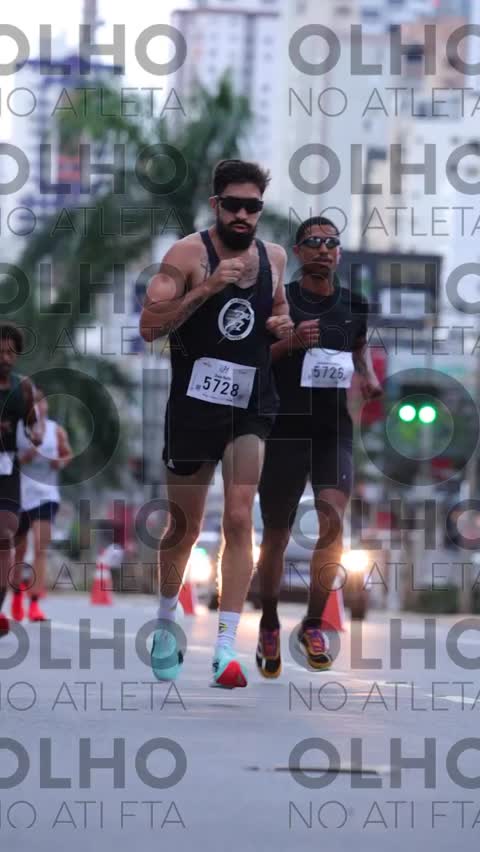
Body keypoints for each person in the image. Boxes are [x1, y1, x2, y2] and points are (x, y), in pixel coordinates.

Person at [140, 159, 292, 688]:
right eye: (234, 205)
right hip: (193, 407)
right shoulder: (187, 255)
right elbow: (148, 327)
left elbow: (278, 311)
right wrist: (205, 289)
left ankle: (226, 648)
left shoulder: (274, 257)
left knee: (239, 518)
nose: (244, 215)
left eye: (253, 207)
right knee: (182, 526)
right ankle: (166, 624)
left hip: (250, 405)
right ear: (216, 205)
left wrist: (282, 322)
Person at [255, 216, 383, 677]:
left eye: (332, 242)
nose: (324, 249)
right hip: (283, 431)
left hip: (333, 431)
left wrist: (367, 375)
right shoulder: (280, 300)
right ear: (299, 251)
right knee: (276, 535)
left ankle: (313, 624)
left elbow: (358, 346)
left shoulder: (354, 305)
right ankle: (269, 622)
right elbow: (255, 359)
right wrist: (291, 341)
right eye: (314, 242)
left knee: (332, 523)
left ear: (339, 253)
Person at [11, 388, 72, 622]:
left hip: (47, 495)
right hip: (20, 495)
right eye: (33, 403)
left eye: (41, 402)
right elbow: (7, 459)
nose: (38, 407)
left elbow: (67, 454)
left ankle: (35, 603)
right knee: (19, 550)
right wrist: (24, 458)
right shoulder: (17, 430)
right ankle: (17, 595)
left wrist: (59, 462)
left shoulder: (56, 431)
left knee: (40, 547)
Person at [0, 323, 41, 636]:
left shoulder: (23, 387)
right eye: (0, 351)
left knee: (5, 535)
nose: (5, 357)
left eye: (10, 352)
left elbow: (33, 424)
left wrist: (35, 434)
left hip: (7, 467)